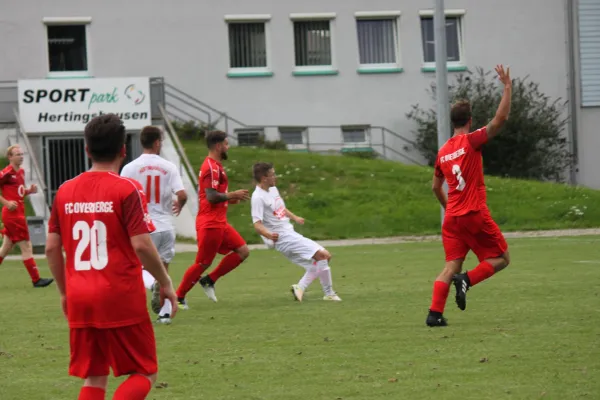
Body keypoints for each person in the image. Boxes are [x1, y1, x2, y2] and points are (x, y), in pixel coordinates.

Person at [45, 114, 178, 400]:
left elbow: (51, 248)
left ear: (86, 149)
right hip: (118, 293)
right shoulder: (126, 189)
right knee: (145, 371)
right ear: (122, 150)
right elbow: (142, 245)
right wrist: (165, 281)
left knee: (95, 376)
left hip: (80, 294)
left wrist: (65, 292)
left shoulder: (64, 191)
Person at [426, 65, 512, 327]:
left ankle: (434, 314)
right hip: (473, 213)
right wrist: (507, 87)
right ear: (470, 120)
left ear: (452, 122)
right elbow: (500, 120)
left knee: (450, 266)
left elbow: (434, 187)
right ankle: (468, 280)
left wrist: (448, 206)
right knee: (501, 258)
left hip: (451, 219)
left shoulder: (442, 153)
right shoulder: (472, 141)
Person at [121, 125, 188, 324]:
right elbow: (182, 195)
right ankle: (165, 314)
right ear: (157, 142)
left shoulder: (130, 167)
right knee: (164, 270)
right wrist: (179, 205)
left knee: (137, 267)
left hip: (143, 227)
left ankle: (151, 285)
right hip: (166, 226)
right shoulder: (169, 166)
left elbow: (121, 195)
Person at [176, 130, 250, 307]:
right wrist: (230, 194)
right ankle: (178, 297)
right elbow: (210, 196)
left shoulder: (216, 166)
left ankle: (209, 280)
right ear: (218, 146)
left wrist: (230, 199)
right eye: (226, 144)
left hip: (219, 222)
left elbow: (211, 196)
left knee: (243, 250)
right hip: (210, 223)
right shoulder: (210, 167)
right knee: (202, 262)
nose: (228, 147)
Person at [251, 162, 341, 302]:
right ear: (264, 178)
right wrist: (269, 235)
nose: (275, 177)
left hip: (289, 233)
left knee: (321, 260)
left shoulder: (273, 189)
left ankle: (300, 287)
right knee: (323, 256)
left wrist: (295, 217)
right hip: (282, 238)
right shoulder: (257, 197)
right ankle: (329, 294)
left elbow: (281, 209)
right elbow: (257, 224)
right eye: (272, 174)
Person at [0, 144, 53, 287]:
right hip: (13, 216)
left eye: (22, 154)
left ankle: (36, 280)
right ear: (10, 157)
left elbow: (18, 192)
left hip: (17, 213)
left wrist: (29, 191)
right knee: (27, 247)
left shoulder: (21, 172)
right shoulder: (6, 172)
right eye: (17, 154)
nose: (21, 156)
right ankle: (36, 280)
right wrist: (6, 202)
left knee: (5, 248)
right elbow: (8, 197)